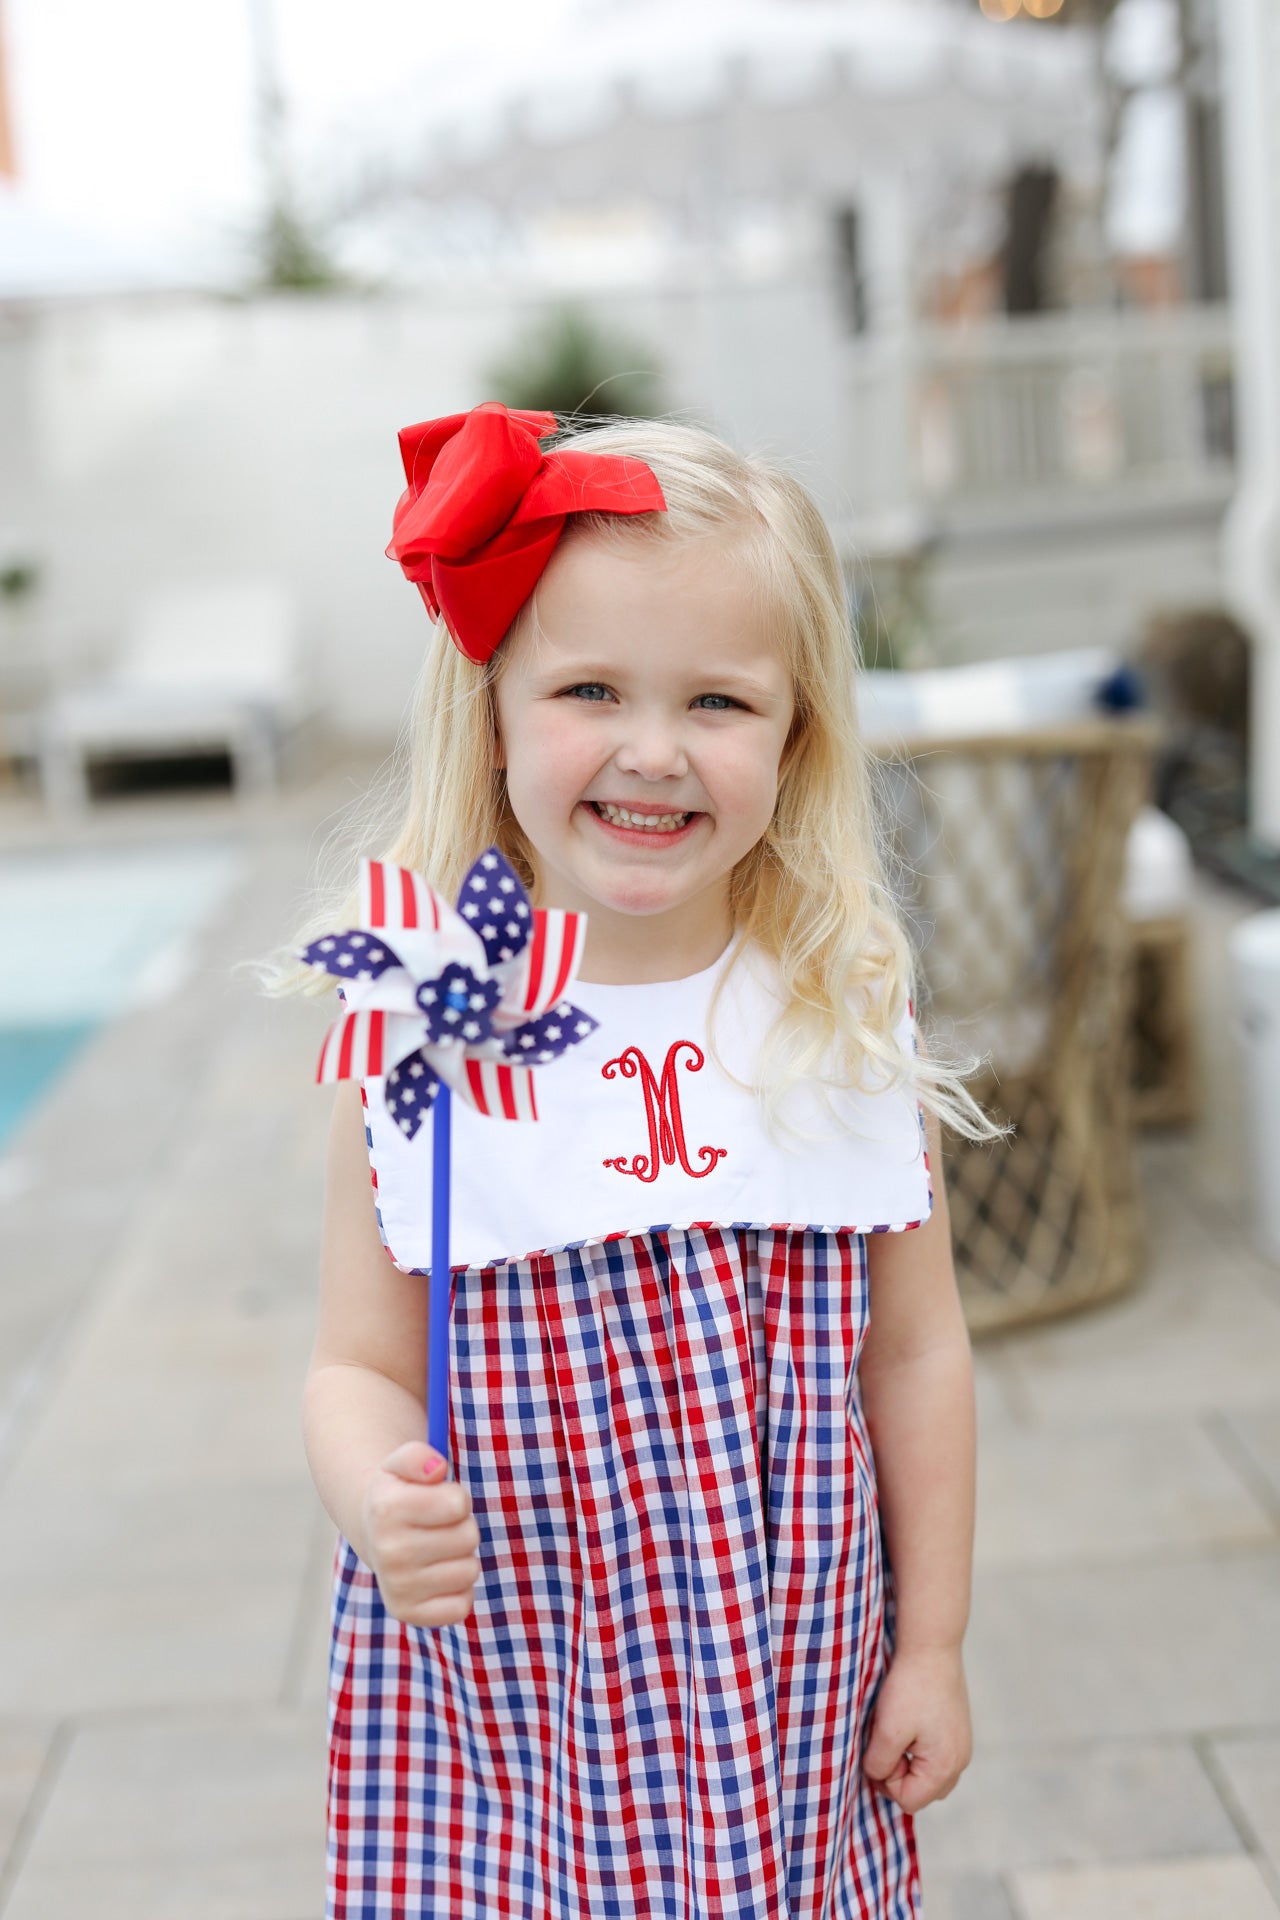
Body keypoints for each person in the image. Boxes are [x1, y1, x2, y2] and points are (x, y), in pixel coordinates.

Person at [283, 401, 991, 1919]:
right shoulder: (421, 1029)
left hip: (784, 1687)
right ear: (492, 711)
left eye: (721, 704)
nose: (654, 752)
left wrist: (930, 1641)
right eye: (591, 689)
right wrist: (372, 1493)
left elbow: (918, 1353)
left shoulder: (836, 1016)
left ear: (797, 734)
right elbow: (355, 1363)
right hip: (512, 1698)